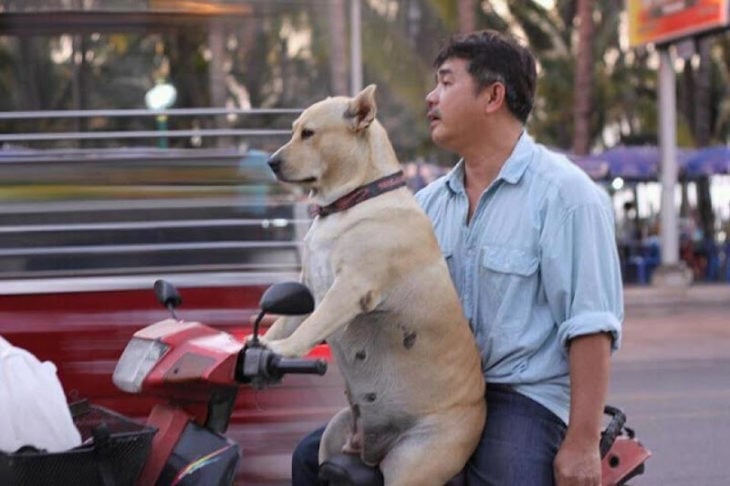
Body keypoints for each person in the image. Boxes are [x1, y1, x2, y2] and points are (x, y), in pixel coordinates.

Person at [292, 29, 623, 486]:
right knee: (314, 461)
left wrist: (582, 445)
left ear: (493, 96)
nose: (431, 96)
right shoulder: (424, 206)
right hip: (433, 395)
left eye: (446, 83)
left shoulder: (567, 197)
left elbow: (590, 326)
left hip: (522, 397)